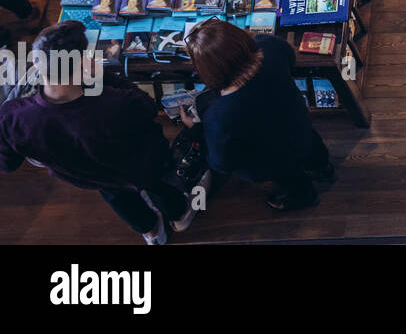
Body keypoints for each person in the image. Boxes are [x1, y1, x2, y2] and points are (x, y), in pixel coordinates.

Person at [0, 21, 196, 245]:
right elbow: (147, 107)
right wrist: (104, 76)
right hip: (143, 163)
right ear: (80, 63)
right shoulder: (115, 103)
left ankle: (152, 233)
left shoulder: (12, 117)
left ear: (37, 62)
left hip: (90, 175)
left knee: (123, 202)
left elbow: (7, 163)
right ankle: (178, 216)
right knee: (162, 189)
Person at [183, 19, 332, 212]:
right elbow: (290, 58)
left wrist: (196, 131)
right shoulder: (269, 47)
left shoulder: (218, 114)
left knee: (289, 176)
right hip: (297, 124)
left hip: (269, 160)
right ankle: (324, 168)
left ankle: (304, 196)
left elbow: (222, 162)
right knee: (311, 146)